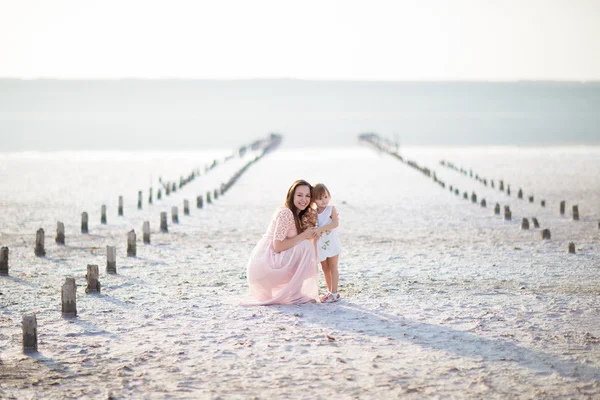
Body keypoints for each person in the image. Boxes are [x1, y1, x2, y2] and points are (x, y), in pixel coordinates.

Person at [241, 180, 320, 305]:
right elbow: (277, 246)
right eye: (299, 195)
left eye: (307, 196)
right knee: (306, 246)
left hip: (270, 264)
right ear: (291, 195)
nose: (303, 199)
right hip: (265, 265)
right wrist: (305, 235)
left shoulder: (299, 215)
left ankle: (294, 293)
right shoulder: (286, 213)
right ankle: (295, 295)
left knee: (310, 254)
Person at [313, 183, 342, 303]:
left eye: (325, 197)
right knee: (325, 268)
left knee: (333, 267)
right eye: (320, 198)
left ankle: (334, 292)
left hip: (332, 242)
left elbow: (335, 223)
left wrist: (320, 229)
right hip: (320, 244)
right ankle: (330, 291)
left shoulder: (331, 209)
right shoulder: (313, 212)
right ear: (314, 200)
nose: (323, 201)